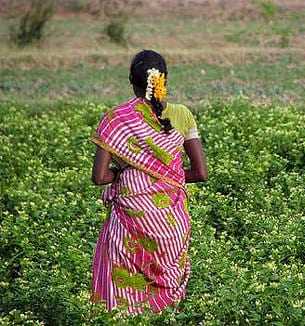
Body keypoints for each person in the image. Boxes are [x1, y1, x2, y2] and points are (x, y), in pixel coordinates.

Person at [89, 49, 208, 315]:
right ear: (163, 81)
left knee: (121, 288)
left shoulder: (115, 119)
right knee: (165, 291)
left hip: (131, 217)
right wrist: (166, 177)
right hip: (171, 224)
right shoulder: (183, 115)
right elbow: (200, 173)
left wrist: (127, 174)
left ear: (131, 81)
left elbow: (99, 177)